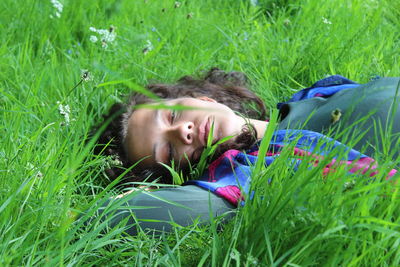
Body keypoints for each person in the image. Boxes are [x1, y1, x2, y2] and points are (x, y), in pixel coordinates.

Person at [86, 68, 399, 235]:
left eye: (170, 117)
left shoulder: (309, 97)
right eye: (168, 150)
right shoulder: (260, 166)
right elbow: (107, 218)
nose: (182, 131)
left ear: (199, 98)